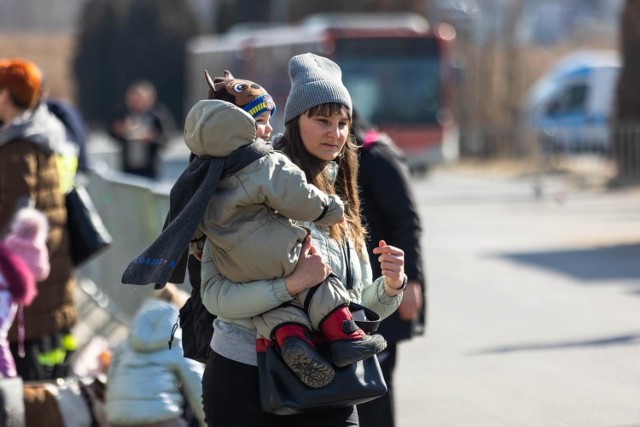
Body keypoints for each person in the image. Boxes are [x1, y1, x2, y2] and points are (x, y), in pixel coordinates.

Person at [199, 52, 407, 426]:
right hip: (246, 373)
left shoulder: (338, 195)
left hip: (330, 378)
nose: (336, 133)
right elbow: (216, 298)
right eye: (322, 120)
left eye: (343, 122)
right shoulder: (249, 180)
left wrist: (391, 287)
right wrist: (292, 285)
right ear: (295, 122)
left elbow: (353, 302)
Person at [0, 58, 78, 381]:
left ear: (5, 95)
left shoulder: (16, 149)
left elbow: (13, 212)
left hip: (25, 289)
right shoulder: (43, 135)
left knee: (25, 385)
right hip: (46, 278)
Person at [352, 111, 426, 427]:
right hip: (354, 297)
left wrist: (412, 283)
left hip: (387, 292)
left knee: (376, 391)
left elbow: (406, 222)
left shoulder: (376, 156)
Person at [105, 283, 206, 427]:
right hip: (160, 418)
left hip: (118, 418)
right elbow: (198, 387)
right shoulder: (177, 342)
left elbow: (111, 380)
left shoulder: (127, 342)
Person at [0, 207, 49, 378]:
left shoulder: (11, 242)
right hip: (10, 296)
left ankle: (8, 376)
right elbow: (42, 272)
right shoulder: (38, 249)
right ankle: (9, 376)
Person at [110, 80, 176, 180]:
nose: (135, 103)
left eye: (138, 100)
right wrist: (119, 130)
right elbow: (112, 132)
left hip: (150, 168)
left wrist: (151, 138)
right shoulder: (122, 113)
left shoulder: (158, 115)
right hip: (128, 168)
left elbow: (166, 138)